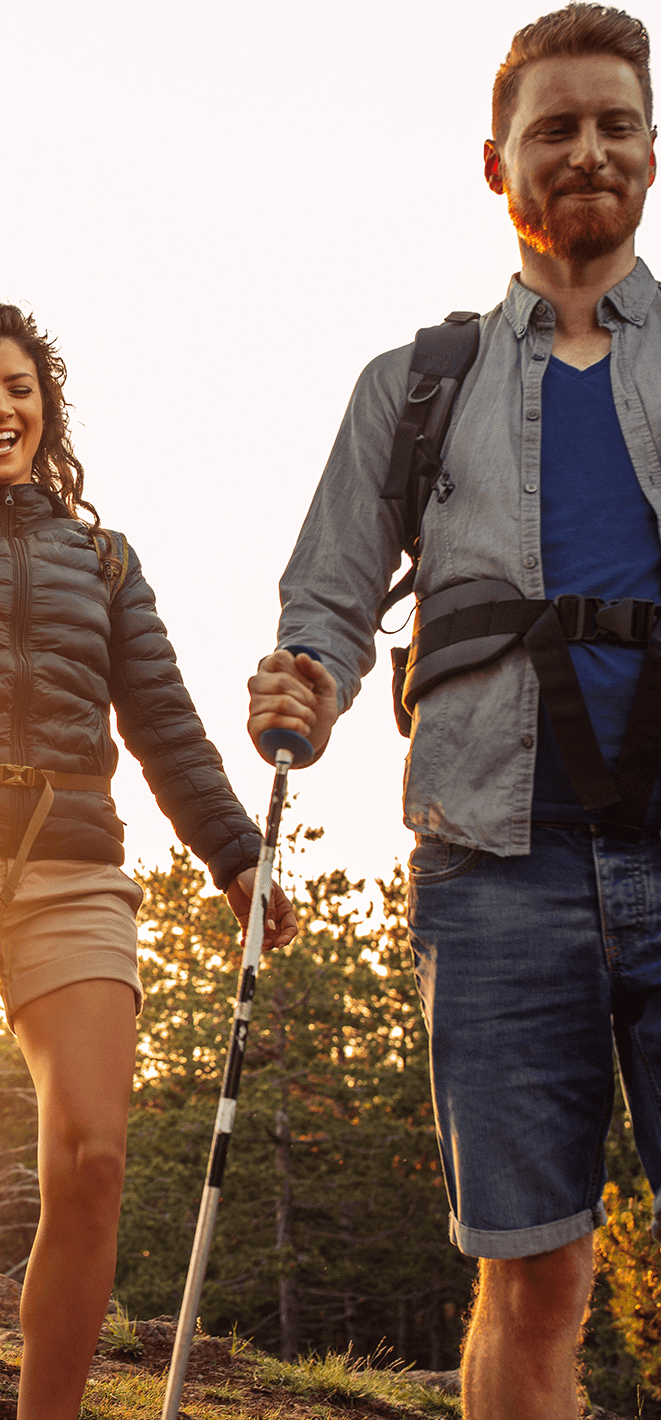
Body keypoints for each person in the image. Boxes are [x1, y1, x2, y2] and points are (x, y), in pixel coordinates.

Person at [247, 8, 661, 1417]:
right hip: (495, 871)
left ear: (653, 151)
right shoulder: (416, 385)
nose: (588, 149)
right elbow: (328, 601)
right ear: (498, 164)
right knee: (531, 1275)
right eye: (556, 128)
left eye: (615, 122)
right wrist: (304, 679)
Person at [0, 297, 297, 1420]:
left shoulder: (103, 558)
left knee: (90, 1162)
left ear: (46, 407)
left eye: (18, 389)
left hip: (70, 866)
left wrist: (235, 856)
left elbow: (164, 722)